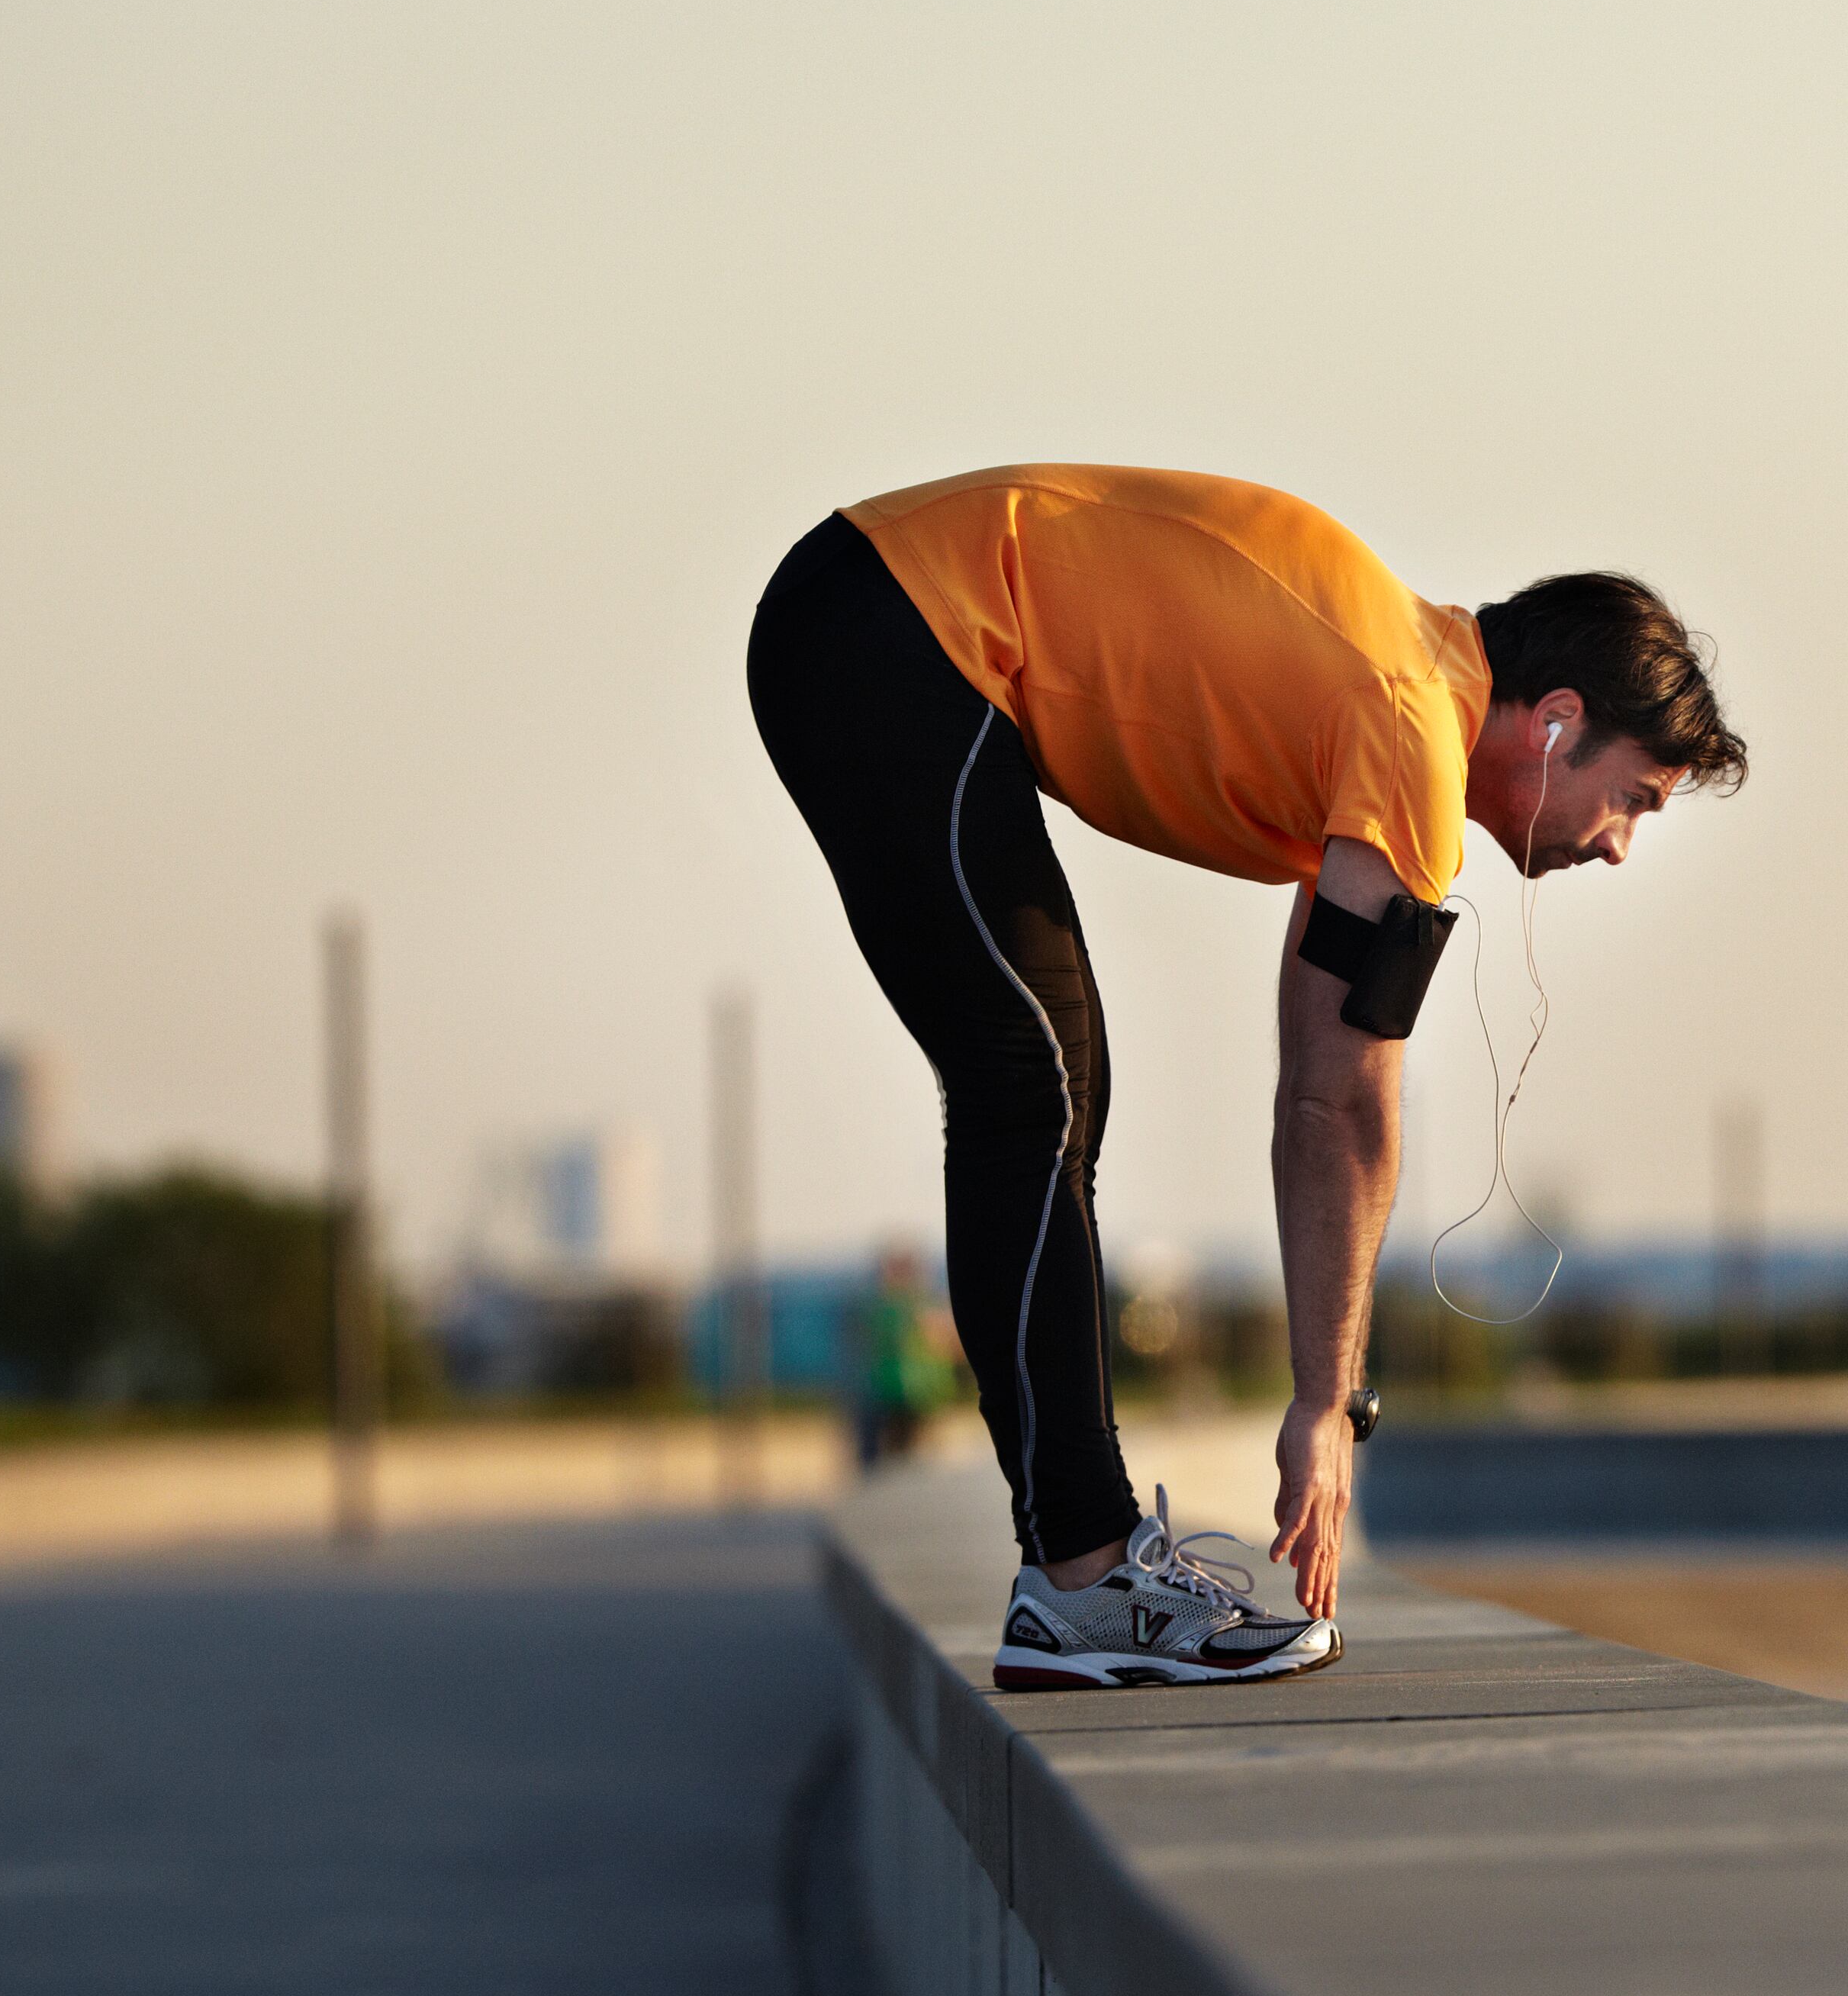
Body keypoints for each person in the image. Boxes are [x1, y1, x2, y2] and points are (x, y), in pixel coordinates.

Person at [746, 465, 1745, 1688]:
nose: (1621, 845)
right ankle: (1081, 1578)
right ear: (1554, 720)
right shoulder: (1408, 721)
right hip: (892, 622)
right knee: (1036, 1082)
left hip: (876, 619)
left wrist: (1328, 1392)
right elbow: (1343, 1102)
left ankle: (1081, 1567)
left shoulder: (1400, 698)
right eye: (1630, 798)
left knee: (1052, 1085)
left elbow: (1312, 1082)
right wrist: (1327, 1405)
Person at [849, 1242, 952, 1474]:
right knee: (899, 1454)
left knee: (901, 1453)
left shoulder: (895, 1304)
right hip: (898, 1390)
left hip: (907, 1390)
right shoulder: (911, 1303)